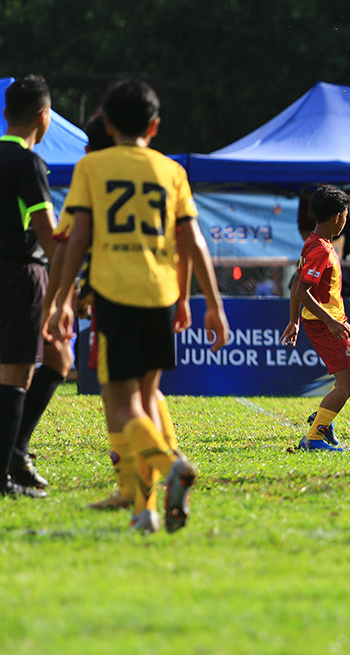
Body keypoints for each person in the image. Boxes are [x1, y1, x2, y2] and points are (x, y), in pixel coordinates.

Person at [52, 79, 229, 533]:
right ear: (154, 126)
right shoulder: (171, 171)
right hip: (161, 295)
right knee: (148, 400)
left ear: (107, 124)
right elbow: (192, 240)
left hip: (116, 294)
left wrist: (60, 299)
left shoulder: (93, 167)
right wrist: (212, 304)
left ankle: (172, 464)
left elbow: (78, 236)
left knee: (123, 406)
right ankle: (143, 512)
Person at [0, 75, 59, 498]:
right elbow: (47, 233)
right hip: (21, 275)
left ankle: (17, 452)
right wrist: (69, 292)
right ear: (45, 117)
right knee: (17, 371)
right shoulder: (28, 163)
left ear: (5, 114)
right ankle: (5, 471)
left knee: (58, 355)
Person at [281, 185, 350, 451]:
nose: (346, 220)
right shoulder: (320, 249)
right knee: (349, 382)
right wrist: (328, 322)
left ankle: (323, 416)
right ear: (337, 217)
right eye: (346, 214)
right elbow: (301, 289)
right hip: (326, 323)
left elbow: (298, 280)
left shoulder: (316, 243)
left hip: (336, 319)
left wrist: (293, 320)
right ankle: (314, 437)